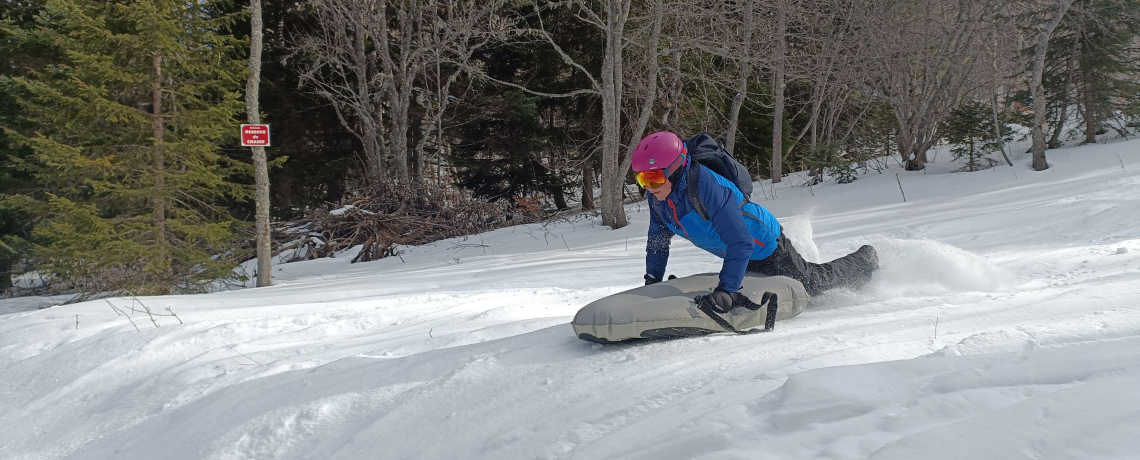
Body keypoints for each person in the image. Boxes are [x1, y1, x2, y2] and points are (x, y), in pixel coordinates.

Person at [633, 131, 879, 314]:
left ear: (676, 168)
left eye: (653, 178)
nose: (648, 187)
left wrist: (727, 291)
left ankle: (864, 259)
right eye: (642, 179)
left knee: (811, 284)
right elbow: (657, 243)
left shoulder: (709, 189)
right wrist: (653, 281)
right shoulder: (659, 199)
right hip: (734, 251)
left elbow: (741, 243)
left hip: (764, 244)